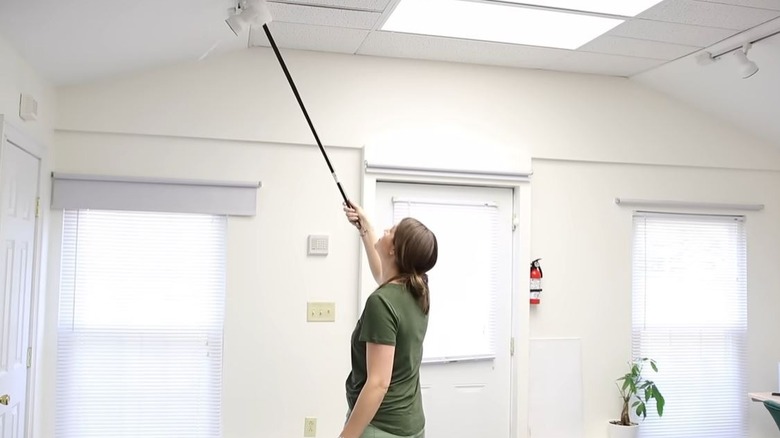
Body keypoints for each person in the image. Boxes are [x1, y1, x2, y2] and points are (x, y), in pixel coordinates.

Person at [338, 202, 438, 438]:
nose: (385, 231)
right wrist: (366, 227)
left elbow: (378, 383)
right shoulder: (418, 290)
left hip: (381, 427)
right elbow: (382, 273)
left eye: (391, 231)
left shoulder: (381, 302)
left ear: (395, 250)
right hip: (410, 424)